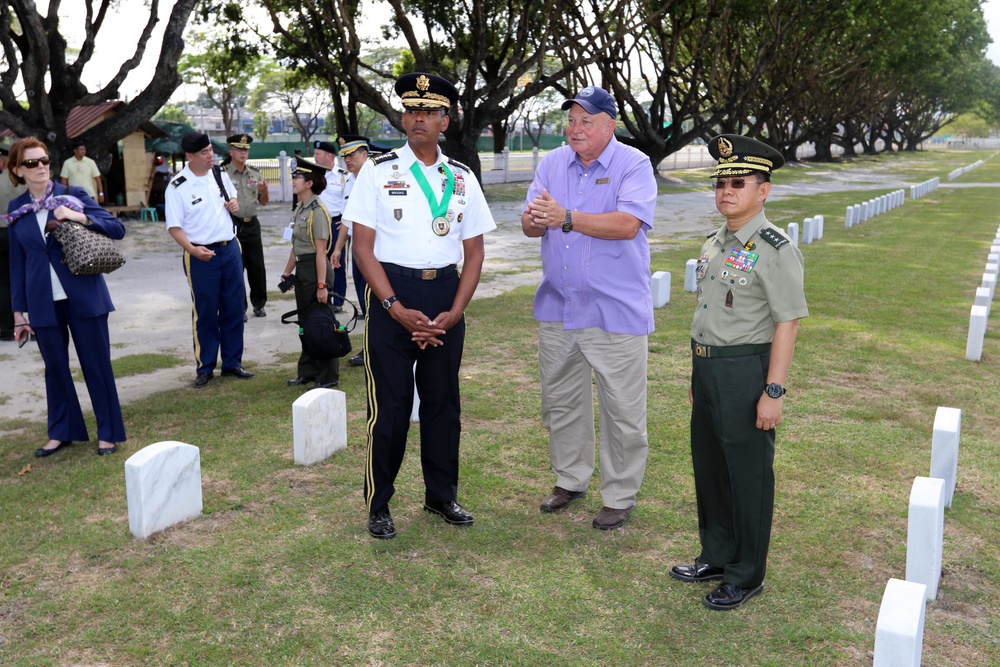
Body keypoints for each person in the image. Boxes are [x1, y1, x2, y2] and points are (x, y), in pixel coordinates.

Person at [343, 72, 496, 540]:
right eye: (411, 111)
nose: (418, 120)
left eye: (429, 112)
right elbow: (362, 249)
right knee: (388, 408)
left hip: (445, 297)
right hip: (393, 295)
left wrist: (455, 310)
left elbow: (474, 252)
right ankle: (379, 503)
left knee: (442, 404)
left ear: (446, 120)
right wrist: (392, 305)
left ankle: (440, 495)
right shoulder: (378, 169)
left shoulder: (463, 178)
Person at [669, 134, 808, 611]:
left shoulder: (774, 247)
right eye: (721, 182)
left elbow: (787, 320)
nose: (727, 191)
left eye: (739, 182)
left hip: (746, 371)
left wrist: (774, 390)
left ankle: (747, 574)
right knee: (710, 469)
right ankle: (717, 555)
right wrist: (696, 375)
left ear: (763, 190)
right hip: (707, 369)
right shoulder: (715, 241)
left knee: (747, 475)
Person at [520, 86, 657, 531]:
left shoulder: (632, 164)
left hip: (613, 311)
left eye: (586, 121)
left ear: (609, 125)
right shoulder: (551, 163)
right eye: (572, 120)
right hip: (559, 309)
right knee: (561, 401)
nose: (575, 129)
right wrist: (533, 219)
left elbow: (627, 224)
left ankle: (619, 494)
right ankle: (570, 479)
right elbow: (528, 222)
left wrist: (566, 216)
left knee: (622, 410)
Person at [4, 137, 126, 456]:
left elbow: (115, 228)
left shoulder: (73, 195)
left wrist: (78, 217)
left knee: (96, 365)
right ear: (17, 169)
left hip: (84, 294)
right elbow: (18, 262)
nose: (41, 167)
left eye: (44, 160)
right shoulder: (16, 208)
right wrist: (18, 311)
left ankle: (108, 433)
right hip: (42, 299)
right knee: (55, 368)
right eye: (32, 163)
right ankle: (62, 431)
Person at [165, 132, 253, 388]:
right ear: (189, 156)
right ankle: (205, 367)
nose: (210, 155)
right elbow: (174, 227)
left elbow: (231, 200)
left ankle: (232, 363)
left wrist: (234, 204)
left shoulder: (220, 174)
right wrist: (192, 250)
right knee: (205, 311)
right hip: (201, 255)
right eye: (203, 152)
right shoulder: (178, 185)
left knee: (234, 307)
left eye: (210, 150)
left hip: (230, 248)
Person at [279, 158, 340, 390]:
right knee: (305, 323)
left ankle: (328, 374)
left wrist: (322, 285)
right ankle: (308, 370)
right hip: (303, 269)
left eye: (297, 178)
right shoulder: (300, 208)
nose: (293, 181)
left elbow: (320, 252)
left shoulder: (318, 211)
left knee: (322, 323)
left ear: (309, 183)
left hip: (317, 271)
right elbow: (296, 245)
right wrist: (287, 272)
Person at [330, 134, 390, 368]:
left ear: (365, 154)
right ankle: (371, 346)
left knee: (377, 299)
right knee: (366, 303)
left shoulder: (377, 180)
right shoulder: (350, 181)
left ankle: (376, 348)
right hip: (358, 249)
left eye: (352, 154)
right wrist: (338, 248)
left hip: (375, 249)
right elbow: (348, 218)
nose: (347, 159)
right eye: (344, 155)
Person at [224, 134, 270, 319]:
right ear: (231, 151)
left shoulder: (254, 174)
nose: (243, 153)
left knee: (257, 267)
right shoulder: (222, 173)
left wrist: (264, 191)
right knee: (236, 268)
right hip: (232, 226)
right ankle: (239, 308)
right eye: (239, 149)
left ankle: (259, 305)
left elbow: (264, 202)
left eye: (246, 149)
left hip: (253, 224)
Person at [310, 139, 350, 313]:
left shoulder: (343, 176)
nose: (315, 157)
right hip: (317, 223)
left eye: (318, 154)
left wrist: (346, 219)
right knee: (317, 259)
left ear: (329, 156)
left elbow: (349, 200)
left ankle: (338, 299)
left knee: (337, 262)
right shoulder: (313, 175)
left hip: (336, 223)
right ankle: (321, 294)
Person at [1, 146, 27, 341]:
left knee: (4, 282)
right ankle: (38, 323)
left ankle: (7, 328)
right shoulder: (27, 180)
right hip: (25, 232)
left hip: (2, 233)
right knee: (33, 276)